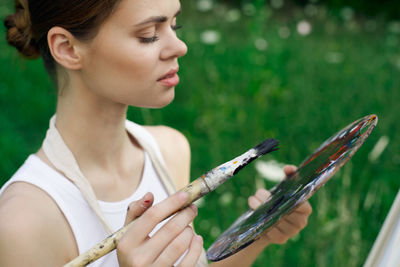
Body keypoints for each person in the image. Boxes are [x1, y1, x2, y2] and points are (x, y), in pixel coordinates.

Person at [0, 0, 312, 266]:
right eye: (149, 34)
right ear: (67, 49)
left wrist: (254, 236)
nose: (180, 46)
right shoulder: (24, 223)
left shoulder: (168, 150)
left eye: (174, 27)